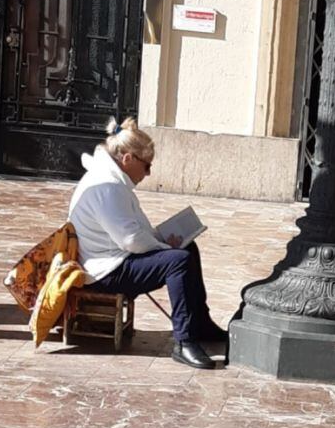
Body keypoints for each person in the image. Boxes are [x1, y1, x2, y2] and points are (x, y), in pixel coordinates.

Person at [68, 117, 227, 369]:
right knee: (179, 262)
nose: (148, 173)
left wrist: (161, 240)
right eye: (147, 166)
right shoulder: (106, 187)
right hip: (106, 272)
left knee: (187, 248)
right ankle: (184, 342)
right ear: (128, 159)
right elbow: (130, 239)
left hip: (117, 258)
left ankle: (200, 324)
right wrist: (165, 248)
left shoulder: (113, 181)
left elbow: (133, 231)